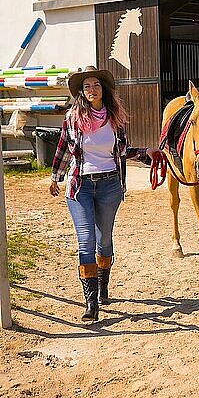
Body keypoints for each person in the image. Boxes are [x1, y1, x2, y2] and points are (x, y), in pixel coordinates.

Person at [50, 66, 164, 322]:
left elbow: (121, 151)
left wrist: (147, 152)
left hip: (110, 185)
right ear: (81, 91)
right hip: (80, 186)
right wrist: (55, 177)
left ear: (104, 90)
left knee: (105, 241)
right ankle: (91, 303)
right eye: (87, 86)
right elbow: (63, 148)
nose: (92, 90)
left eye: (96, 85)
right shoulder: (72, 117)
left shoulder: (115, 118)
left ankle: (103, 289)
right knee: (86, 241)